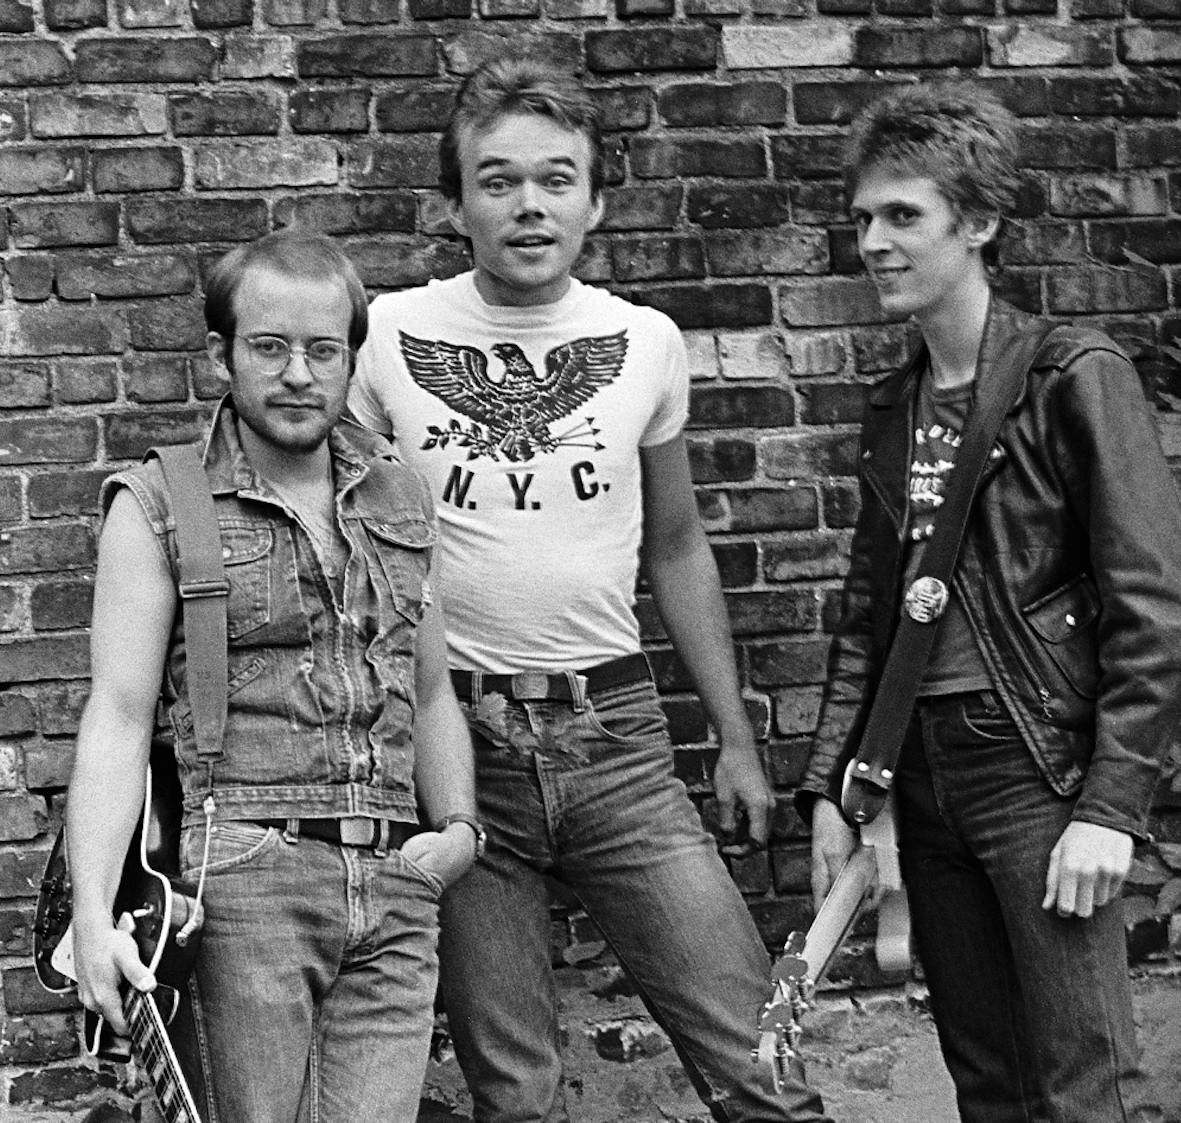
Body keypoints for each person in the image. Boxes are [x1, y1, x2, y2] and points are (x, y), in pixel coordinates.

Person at [349, 51, 830, 1123]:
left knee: (761, 1061)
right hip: (457, 759)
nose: (530, 204)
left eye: (556, 178)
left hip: (616, 740)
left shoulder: (643, 343)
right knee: (516, 1096)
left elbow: (674, 544)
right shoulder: (385, 337)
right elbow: (348, 548)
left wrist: (736, 741)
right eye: (500, 179)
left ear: (595, 200)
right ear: (456, 203)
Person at [801, 87, 1181, 1122]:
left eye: (902, 216)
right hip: (921, 770)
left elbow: (1157, 605)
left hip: (1032, 768)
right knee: (986, 1082)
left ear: (976, 222)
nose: (874, 243)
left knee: (1085, 1078)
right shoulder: (891, 407)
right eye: (861, 220)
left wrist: (1109, 805)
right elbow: (870, 616)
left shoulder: (1071, 374)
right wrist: (835, 791)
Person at [65, 229, 481, 1123]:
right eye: (270, 346)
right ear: (223, 355)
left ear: (350, 359)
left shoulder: (401, 495)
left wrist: (459, 834)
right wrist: (93, 917)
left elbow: (434, 688)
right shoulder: (159, 503)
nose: (299, 372)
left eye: (323, 349)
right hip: (247, 873)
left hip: (398, 878)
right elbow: (118, 715)